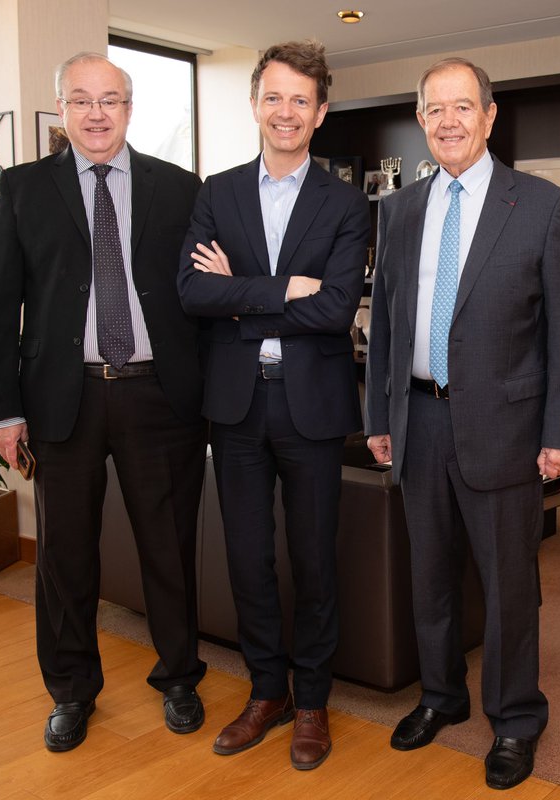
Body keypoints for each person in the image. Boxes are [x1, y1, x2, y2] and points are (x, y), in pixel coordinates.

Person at [364, 57, 560, 791]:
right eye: (436, 109)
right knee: (428, 576)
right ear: (422, 120)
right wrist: (380, 416)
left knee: (507, 586)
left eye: (465, 107)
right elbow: (388, 328)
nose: (450, 121)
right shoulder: (397, 211)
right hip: (420, 424)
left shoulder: (544, 207)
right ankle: (441, 696)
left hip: (507, 430)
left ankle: (517, 717)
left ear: (491, 117)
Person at [0, 52, 207, 753]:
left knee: (168, 548)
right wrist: (2, 410)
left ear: (129, 108)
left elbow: (200, 293)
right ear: (63, 110)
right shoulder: (21, 189)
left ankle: (177, 677)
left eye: (110, 99)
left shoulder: (179, 188)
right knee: (64, 557)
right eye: (81, 100)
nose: (97, 113)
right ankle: (72, 690)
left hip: (158, 397)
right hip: (62, 397)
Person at [176, 39, 370, 771]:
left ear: (319, 113)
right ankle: (267, 691)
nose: (284, 112)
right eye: (273, 97)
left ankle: (312, 701)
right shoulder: (216, 192)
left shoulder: (346, 203)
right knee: (248, 558)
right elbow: (193, 294)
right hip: (235, 408)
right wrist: (287, 287)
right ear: (254, 104)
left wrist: (243, 294)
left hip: (312, 406)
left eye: (300, 100)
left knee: (314, 560)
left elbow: (336, 308)